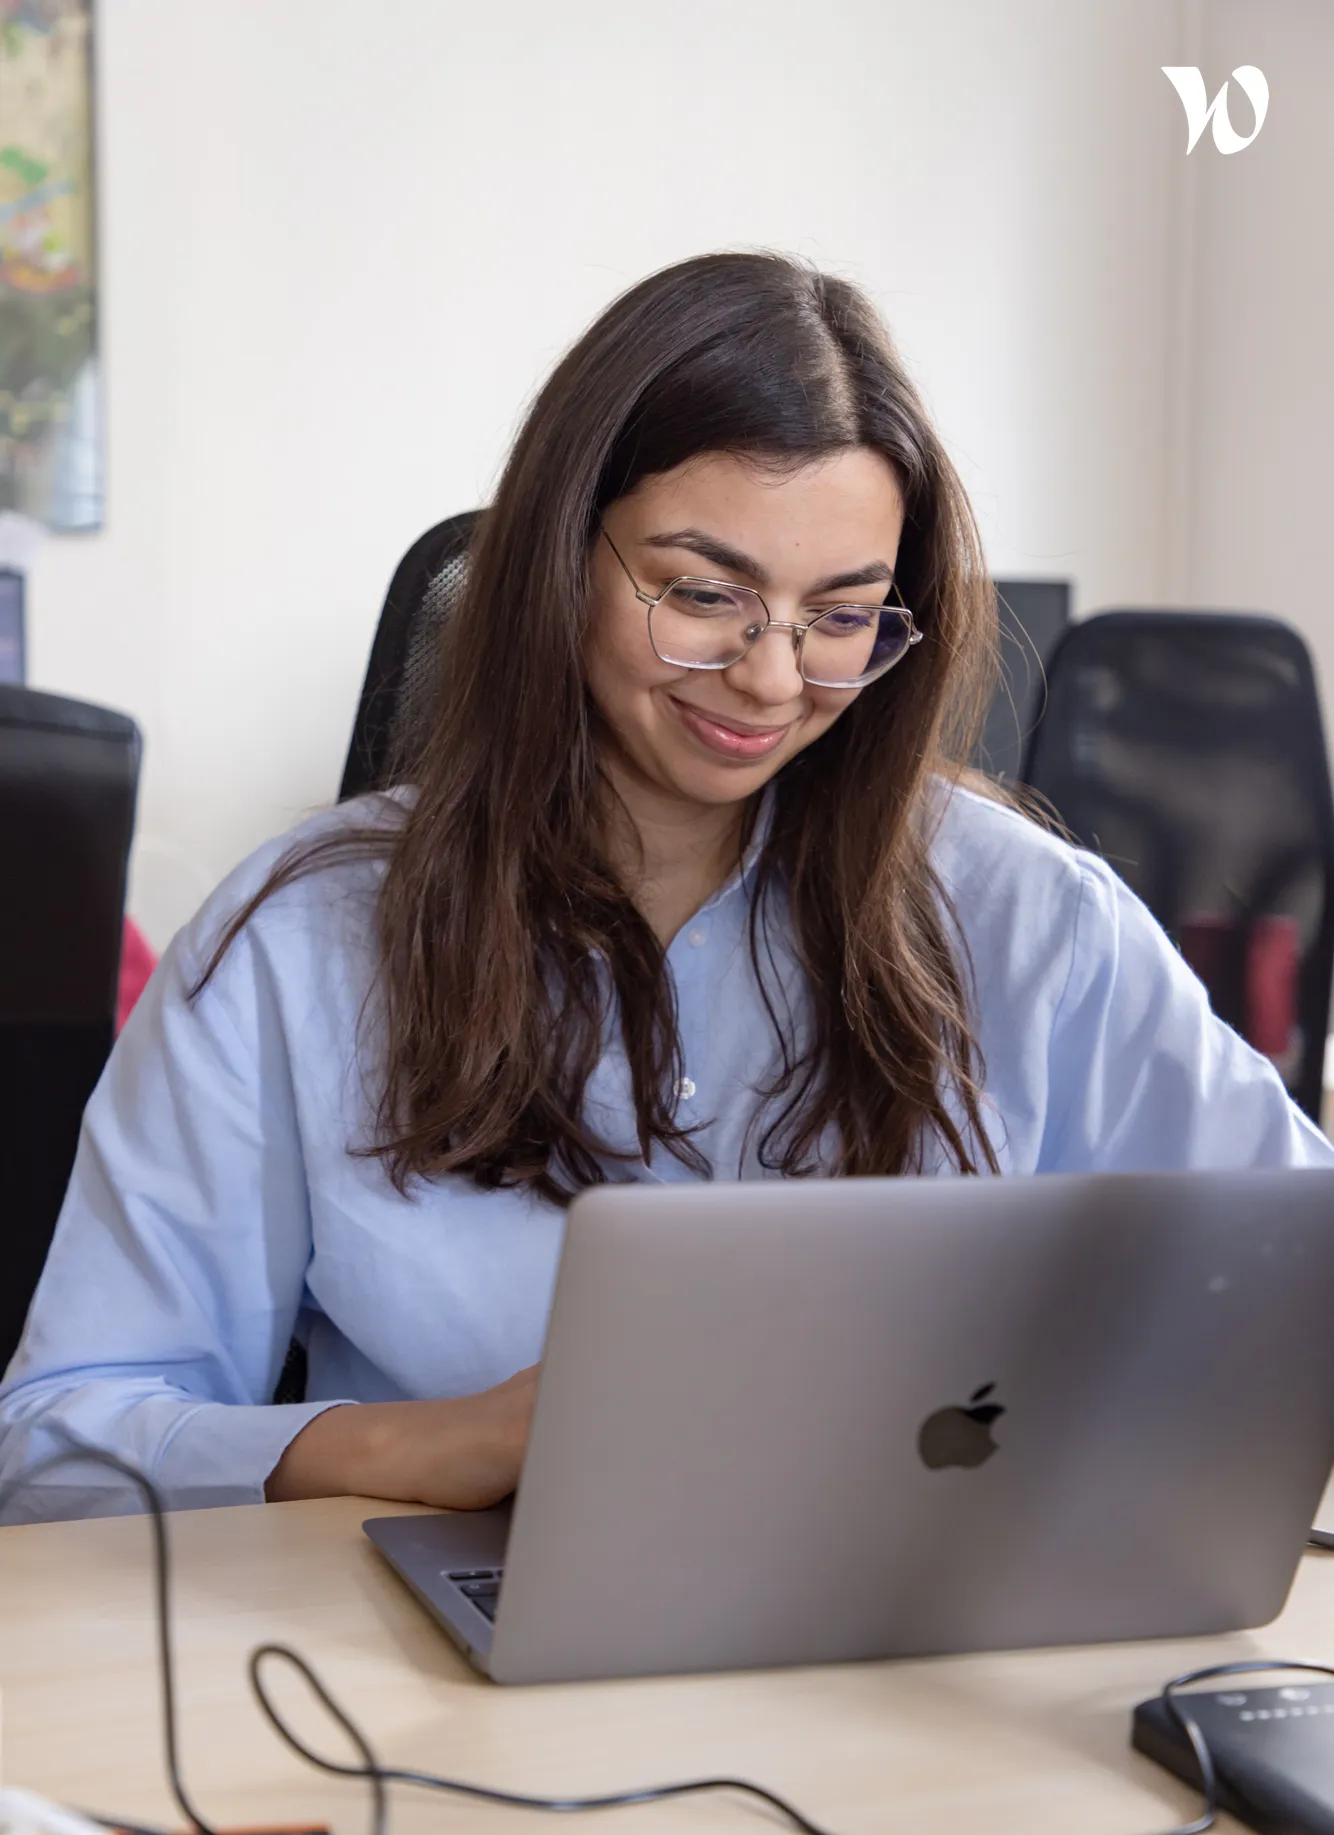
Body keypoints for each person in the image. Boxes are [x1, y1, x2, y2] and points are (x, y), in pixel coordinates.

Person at [2, 251, 1330, 1524]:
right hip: (436, 1681)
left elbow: (1296, 1280)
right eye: (704, 593)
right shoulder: (299, 940)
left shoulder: (1027, 920)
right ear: (558, 559)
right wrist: (433, 1443)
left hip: (934, 1657)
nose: (769, 676)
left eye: (841, 613)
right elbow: (56, 1441)